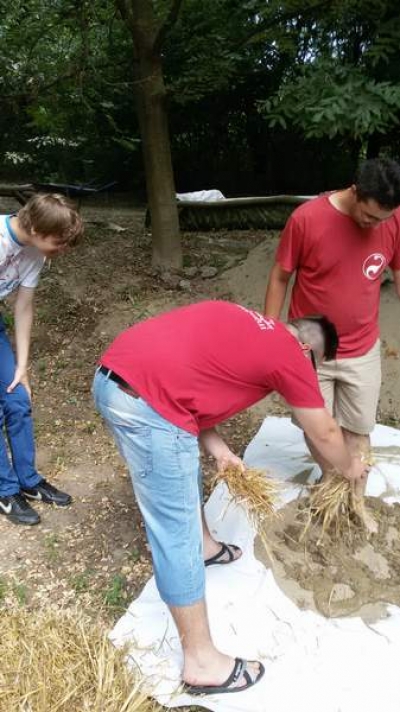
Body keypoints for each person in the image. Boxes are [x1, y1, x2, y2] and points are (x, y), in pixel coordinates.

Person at [93, 299, 368, 696]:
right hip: (146, 403)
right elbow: (325, 432)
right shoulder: (290, 354)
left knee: (178, 471)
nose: (311, 373)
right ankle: (202, 662)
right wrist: (350, 467)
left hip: (119, 378)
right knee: (175, 529)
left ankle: (205, 547)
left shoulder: (248, 322)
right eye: (316, 364)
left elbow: (191, 380)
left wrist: (220, 450)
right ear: (308, 349)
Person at [264, 157, 400, 509]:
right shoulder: (307, 219)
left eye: (382, 219)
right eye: (369, 216)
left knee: (357, 429)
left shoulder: (393, 220)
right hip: (311, 347)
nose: (374, 226)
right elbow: (280, 276)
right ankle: (331, 483)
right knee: (318, 427)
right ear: (355, 191)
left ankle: (353, 499)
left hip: (363, 348)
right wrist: (268, 331)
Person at [0, 193, 83, 526]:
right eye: (58, 242)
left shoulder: (35, 251)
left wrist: (22, 366)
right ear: (34, 226)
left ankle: (29, 482)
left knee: (18, 399)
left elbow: (23, 307)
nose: (61, 249)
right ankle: (6, 491)